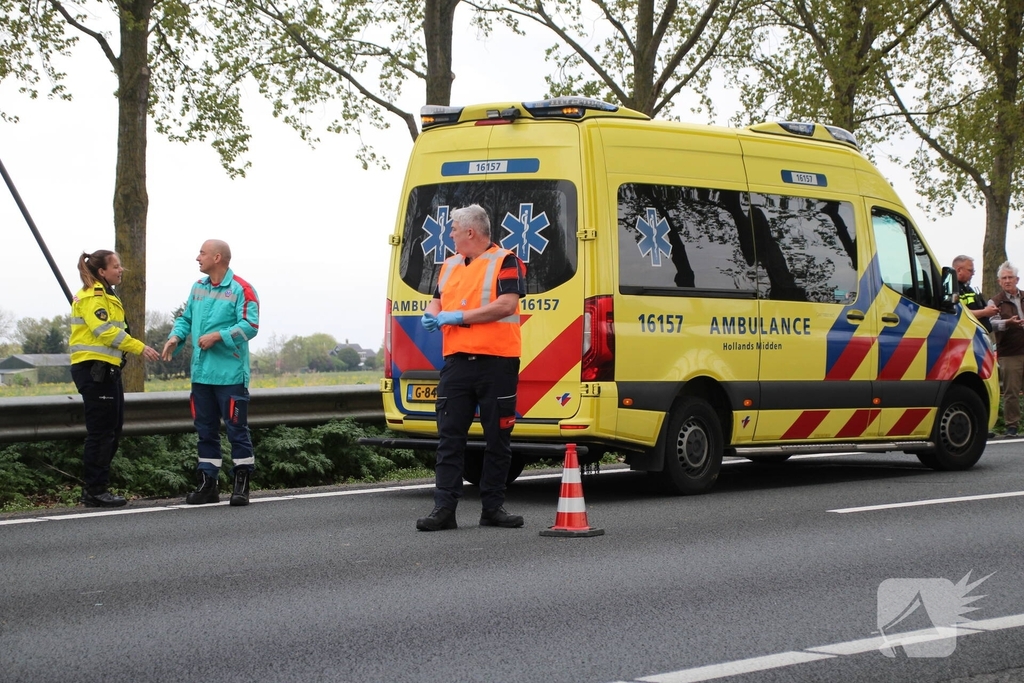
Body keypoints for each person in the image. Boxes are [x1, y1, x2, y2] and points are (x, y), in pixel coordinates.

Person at [416, 204, 527, 531]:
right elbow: (438, 298)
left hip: (497, 362)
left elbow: (507, 304)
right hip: (457, 363)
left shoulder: (507, 261)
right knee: (449, 438)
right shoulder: (449, 265)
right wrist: (431, 311)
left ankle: (493, 508)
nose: (449, 234)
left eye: (453, 228)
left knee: (498, 438)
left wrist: (459, 317)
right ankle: (444, 510)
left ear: (470, 232)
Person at [162, 240, 260, 505]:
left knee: (236, 430)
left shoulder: (243, 289)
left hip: (230, 376)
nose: (197, 258)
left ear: (217, 258)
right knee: (205, 430)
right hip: (201, 375)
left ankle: (241, 484)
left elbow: (250, 326)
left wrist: (219, 336)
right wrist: (175, 337)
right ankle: (208, 485)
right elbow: (186, 319)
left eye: (202, 253)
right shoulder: (198, 288)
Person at [70, 250, 161, 507]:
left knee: (112, 430)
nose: (121, 270)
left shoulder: (107, 294)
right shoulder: (94, 296)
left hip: (107, 370)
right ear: (102, 272)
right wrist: (139, 347)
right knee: (101, 433)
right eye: (116, 266)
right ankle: (95, 490)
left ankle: (98, 487)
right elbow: (105, 332)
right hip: (95, 370)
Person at [989, 261, 1024, 437]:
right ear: (999, 281)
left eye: (1010, 277)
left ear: (1017, 279)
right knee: (1011, 391)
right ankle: (1012, 425)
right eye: (1004, 278)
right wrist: (1008, 323)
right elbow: (991, 323)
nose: (1008, 280)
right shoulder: (995, 301)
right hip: (1010, 352)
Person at [952, 255, 996, 332]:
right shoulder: (952, 289)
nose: (973, 274)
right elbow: (960, 313)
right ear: (959, 270)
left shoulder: (968, 289)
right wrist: (985, 312)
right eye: (970, 270)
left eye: (973, 271)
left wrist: (989, 309)